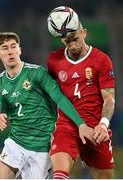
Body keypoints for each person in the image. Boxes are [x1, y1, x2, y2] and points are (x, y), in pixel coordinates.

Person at [0, 32, 95, 179]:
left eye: (13, 46)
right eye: (4, 48)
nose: (10, 51)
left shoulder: (36, 73)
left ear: (19, 50)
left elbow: (60, 98)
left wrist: (81, 124)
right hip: (17, 142)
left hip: (43, 144)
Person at [47, 6, 115, 179]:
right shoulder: (54, 61)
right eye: (67, 41)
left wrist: (103, 124)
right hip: (67, 126)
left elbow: (109, 99)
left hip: (96, 129)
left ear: (84, 33)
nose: (72, 45)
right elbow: (51, 94)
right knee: (60, 176)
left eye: (75, 39)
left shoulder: (101, 60)